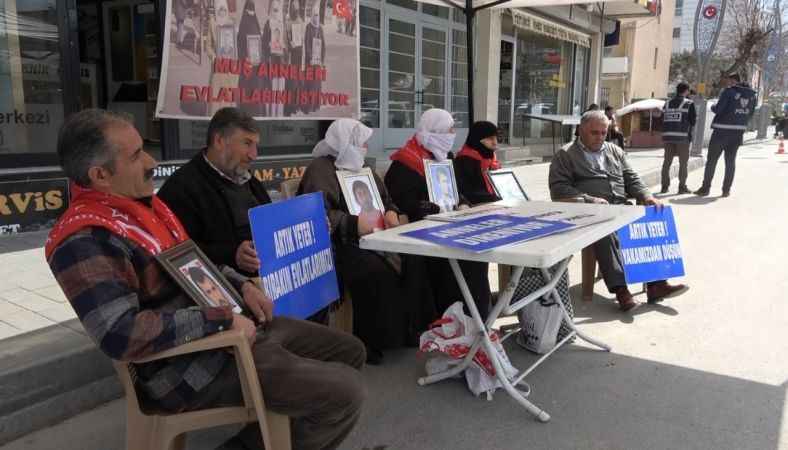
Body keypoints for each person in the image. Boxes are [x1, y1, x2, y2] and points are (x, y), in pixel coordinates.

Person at [45, 109, 365, 450]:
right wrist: (221, 320)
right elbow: (119, 332)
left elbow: (192, 264)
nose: (152, 161)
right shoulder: (84, 240)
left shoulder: (141, 211)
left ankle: (273, 422)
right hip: (191, 364)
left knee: (350, 351)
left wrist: (240, 286)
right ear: (100, 175)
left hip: (232, 330)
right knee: (345, 394)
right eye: (137, 155)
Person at [298, 118, 436, 364]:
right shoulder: (321, 169)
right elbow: (315, 212)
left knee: (414, 256)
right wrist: (352, 224)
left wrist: (391, 211)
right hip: (341, 242)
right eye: (360, 143)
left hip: (377, 235)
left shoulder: (364, 168)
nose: (365, 149)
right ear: (345, 142)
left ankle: (407, 328)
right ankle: (370, 339)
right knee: (371, 269)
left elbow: (386, 199)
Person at [549, 110, 689, 311]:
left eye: (603, 133)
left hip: (620, 206)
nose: (599, 137)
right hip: (590, 212)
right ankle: (621, 289)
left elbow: (631, 178)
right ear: (581, 130)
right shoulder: (566, 154)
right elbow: (559, 189)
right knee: (604, 231)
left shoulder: (614, 151)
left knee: (651, 216)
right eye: (594, 133)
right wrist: (589, 200)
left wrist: (646, 196)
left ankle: (657, 284)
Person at [385, 108, 492, 319]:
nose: (453, 134)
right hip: (420, 229)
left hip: (448, 223)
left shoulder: (445, 157)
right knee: (463, 257)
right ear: (434, 132)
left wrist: (461, 203)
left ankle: (476, 318)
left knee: (478, 253)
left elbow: (453, 189)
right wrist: (425, 207)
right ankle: (453, 317)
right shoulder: (405, 163)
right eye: (448, 129)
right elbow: (400, 202)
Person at [158, 107, 269, 278]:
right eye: (247, 143)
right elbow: (175, 251)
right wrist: (232, 255)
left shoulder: (250, 181)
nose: (254, 155)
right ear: (219, 141)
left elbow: (273, 222)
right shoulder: (181, 188)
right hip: (226, 288)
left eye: (255, 145)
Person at [695, 73, 757, 197]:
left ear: (734, 81)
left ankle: (705, 188)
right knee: (730, 162)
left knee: (712, 161)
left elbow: (718, 109)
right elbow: (750, 114)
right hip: (738, 133)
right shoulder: (752, 96)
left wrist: (712, 106)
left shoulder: (728, 92)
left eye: (729, 81)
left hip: (721, 132)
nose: (728, 83)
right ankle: (726, 190)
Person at [660, 82, 697, 194]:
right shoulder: (689, 104)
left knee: (667, 163)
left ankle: (664, 187)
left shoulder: (666, 103)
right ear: (686, 91)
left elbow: (662, 119)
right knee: (683, 163)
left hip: (668, 138)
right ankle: (682, 187)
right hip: (682, 138)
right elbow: (693, 121)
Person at [454, 121, 502, 205]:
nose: (495, 142)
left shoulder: (489, 158)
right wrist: (493, 199)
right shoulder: (465, 160)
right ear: (478, 139)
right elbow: (468, 192)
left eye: (495, 138)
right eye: (490, 138)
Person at [237, 0, 267, 117]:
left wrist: (261, 57)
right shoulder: (243, 25)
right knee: (248, 91)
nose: (251, 11)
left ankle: (258, 113)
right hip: (247, 65)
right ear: (245, 10)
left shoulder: (256, 23)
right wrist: (245, 58)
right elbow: (239, 45)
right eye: (249, 9)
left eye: (252, 9)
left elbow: (261, 44)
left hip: (257, 65)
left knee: (257, 90)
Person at [303, 4, 325, 113]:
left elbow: (324, 45)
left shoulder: (320, 28)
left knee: (317, 85)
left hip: (318, 63)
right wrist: (310, 57)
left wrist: (322, 60)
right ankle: (308, 107)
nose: (316, 17)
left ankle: (315, 106)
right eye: (315, 15)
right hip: (310, 62)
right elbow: (307, 44)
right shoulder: (308, 27)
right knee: (310, 85)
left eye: (318, 15)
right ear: (312, 15)